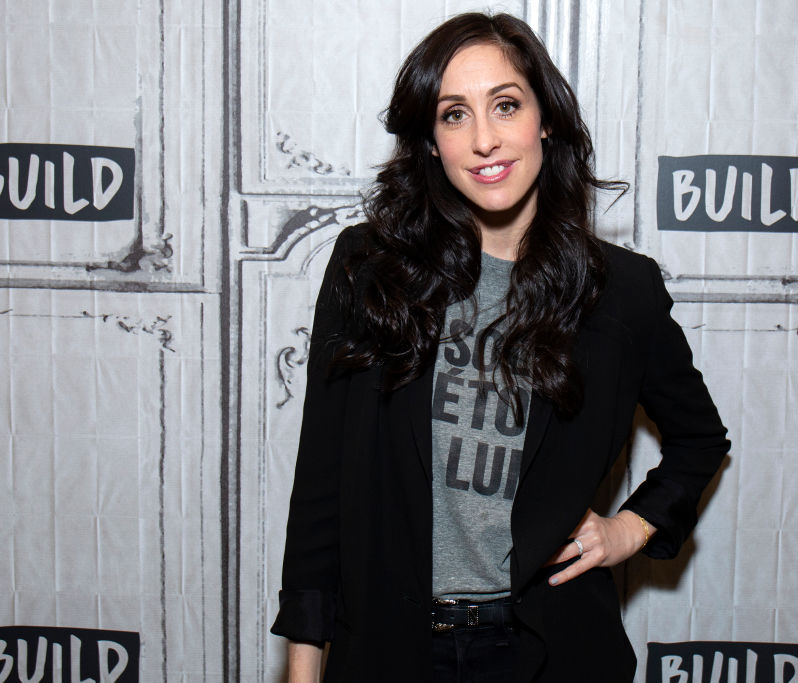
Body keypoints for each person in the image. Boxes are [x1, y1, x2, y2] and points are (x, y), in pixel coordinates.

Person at [270, 12, 729, 683]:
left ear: (544, 119)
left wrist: (630, 527)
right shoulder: (370, 268)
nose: (485, 140)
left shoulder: (620, 292)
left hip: (548, 654)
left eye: (506, 106)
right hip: (391, 652)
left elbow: (700, 437)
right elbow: (320, 486)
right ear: (429, 141)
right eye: (454, 115)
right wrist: (303, 668)